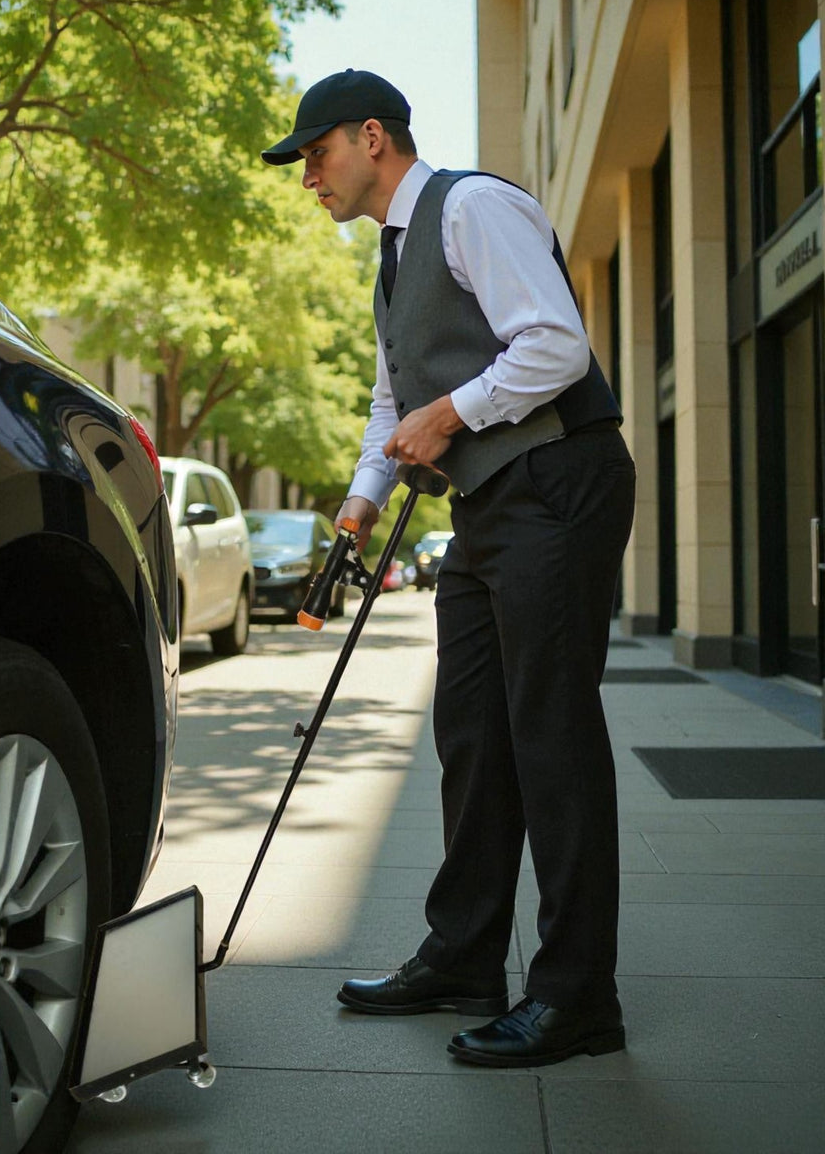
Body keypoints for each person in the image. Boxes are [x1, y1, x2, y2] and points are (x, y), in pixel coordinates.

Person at [262, 69, 636, 1069]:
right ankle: (466, 955)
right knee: (471, 732)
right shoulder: (392, 260)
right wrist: (362, 496)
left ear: (371, 135)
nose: (308, 176)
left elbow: (555, 344)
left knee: (548, 731)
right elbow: (395, 400)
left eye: (315, 152)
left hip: (558, 479)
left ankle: (575, 994)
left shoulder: (473, 205)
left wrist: (452, 413)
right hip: (485, 505)